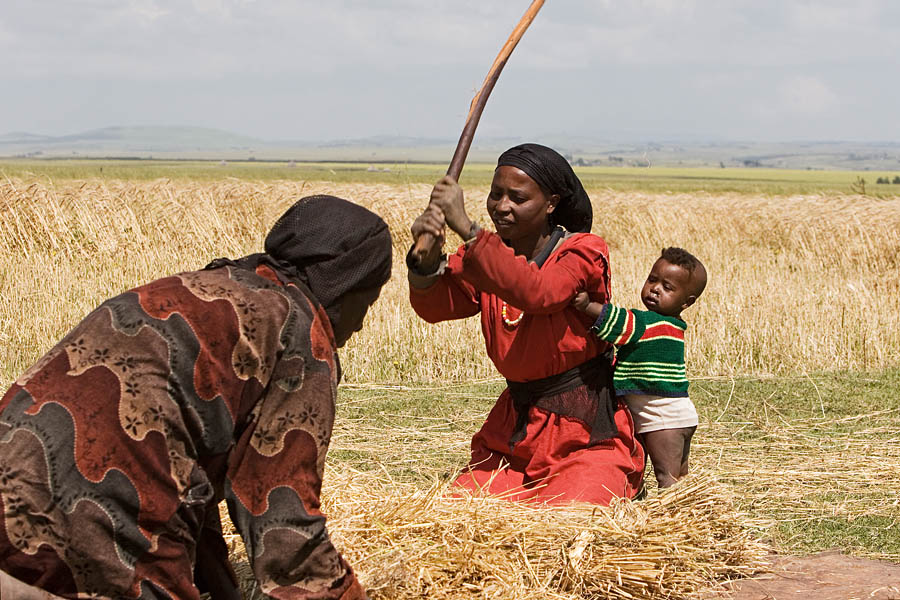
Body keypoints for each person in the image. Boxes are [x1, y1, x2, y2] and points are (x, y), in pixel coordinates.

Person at [0, 195, 392, 600]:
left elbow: (190, 486)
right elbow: (285, 528)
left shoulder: (201, 288)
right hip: (98, 522)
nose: (362, 324)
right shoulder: (299, 335)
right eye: (368, 302)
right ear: (344, 286)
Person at [408, 143, 645, 505]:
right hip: (516, 432)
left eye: (517, 198)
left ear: (551, 203)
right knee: (463, 508)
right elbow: (437, 305)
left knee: (573, 513)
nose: (501, 206)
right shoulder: (485, 257)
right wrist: (424, 262)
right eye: (496, 194)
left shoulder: (583, 251)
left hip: (582, 431)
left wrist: (468, 229)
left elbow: (540, 293)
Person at [572, 247, 707, 488]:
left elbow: (617, 320)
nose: (655, 289)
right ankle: (690, 509)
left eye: (667, 287)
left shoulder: (646, 324)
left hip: (662, 419)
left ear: (687, 302)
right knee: (681, 479)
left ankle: (671, 512)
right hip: (680, 416)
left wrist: (586, 305)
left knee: (667, 479)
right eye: (652, 280)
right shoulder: (674, 326)